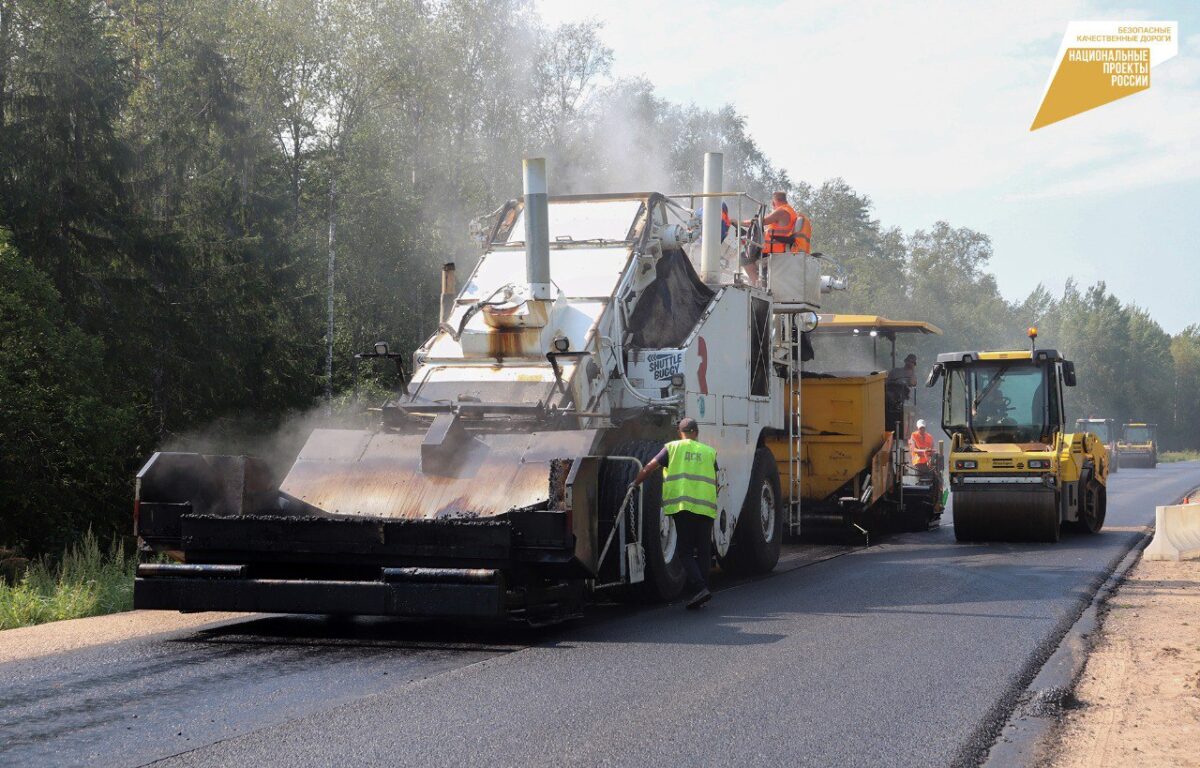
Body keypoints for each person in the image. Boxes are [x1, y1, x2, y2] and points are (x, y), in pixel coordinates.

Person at [631, 417, 719, 609]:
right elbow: (716, 481)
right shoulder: (709, 452)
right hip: (705, 507)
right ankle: (702, 593)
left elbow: (649, 467)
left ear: (680, 433)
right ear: (696, 433)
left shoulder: (672, 448)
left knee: (685, 551)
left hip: (683, 507)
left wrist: (634, 483)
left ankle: (701, 588)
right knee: (704, 551)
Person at [741, 191, 810, 286]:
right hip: (775, 249)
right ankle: (759, 281)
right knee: (749, 254)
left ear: (773, 202)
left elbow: (759, 222)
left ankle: (757, 285)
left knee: (744, 257)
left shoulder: (782, 211)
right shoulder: (790, 211)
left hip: (774, 251)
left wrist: (738, 222)